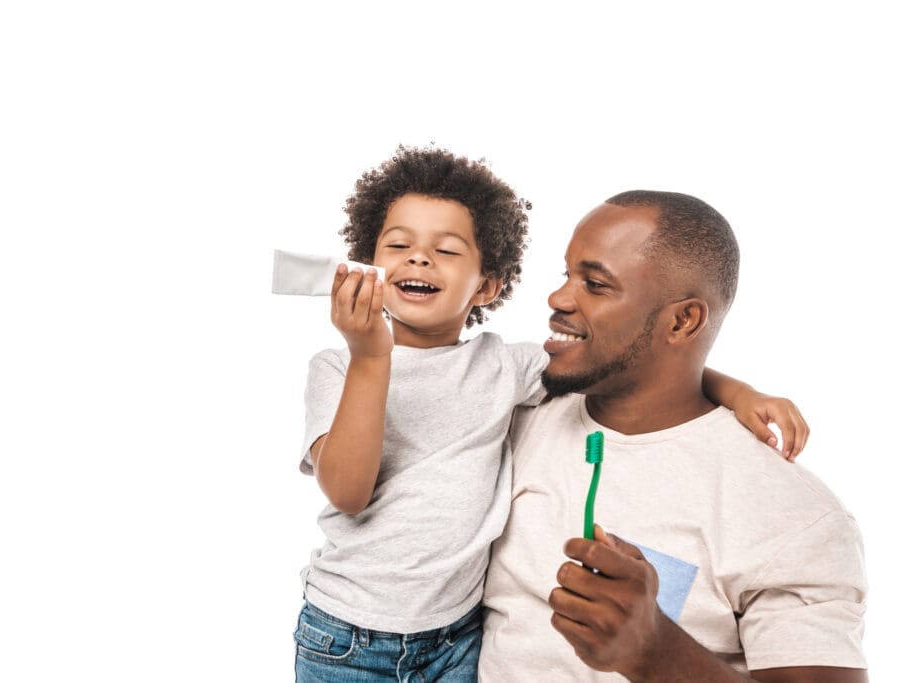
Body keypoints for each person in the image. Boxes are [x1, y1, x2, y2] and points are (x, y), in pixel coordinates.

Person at [293, 148, 809, 682]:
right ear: (367, 267)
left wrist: (738, 391)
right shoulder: (339, 367)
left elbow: (632, 365)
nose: (418, 259)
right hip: (347, 633)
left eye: (445, 251)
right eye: (398, 245)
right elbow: (348, 493)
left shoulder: (506, 366)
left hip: (456, 635)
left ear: (487, 287)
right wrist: (370, 356)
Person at [480, 191, 868, 682]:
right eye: (567, 275)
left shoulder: (791, 515)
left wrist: (655, 651)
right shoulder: (513, 417)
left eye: (595, 284)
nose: (559, 299)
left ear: (683, 320)